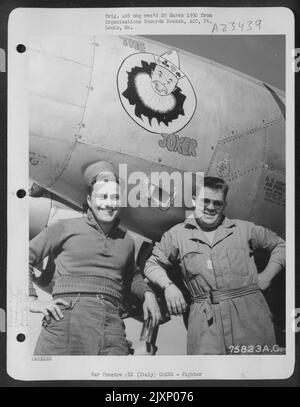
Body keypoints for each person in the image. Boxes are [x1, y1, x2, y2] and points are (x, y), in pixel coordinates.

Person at [29, 161, 161, 356]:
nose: (109, 203)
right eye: (103, 197)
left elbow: (132, 276)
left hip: (112, 324)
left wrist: (148, 294)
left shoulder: (126, 241)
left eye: (115, 197)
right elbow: (24, 257)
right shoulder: (64, 227)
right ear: (90, 200)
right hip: (66, 319)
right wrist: (31, 300)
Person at [144, 176, 285, 355]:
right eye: (205, 201)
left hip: (250, 318)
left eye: (217, 203)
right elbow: (152, 264)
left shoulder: (243, 229)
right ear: (194, 200)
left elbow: (281, 245)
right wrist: (168, 286)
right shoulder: (176, 235)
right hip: (204, 322)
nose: (211, 207)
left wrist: (267, 276)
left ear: (224, 205)